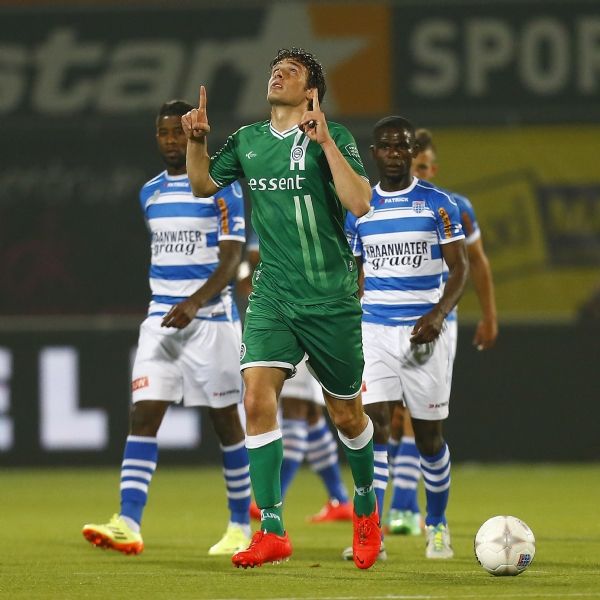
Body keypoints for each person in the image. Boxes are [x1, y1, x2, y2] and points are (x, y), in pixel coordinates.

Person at [182, 47, 380, 570]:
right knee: (256, 396)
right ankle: (272, 529)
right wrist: (197, 142)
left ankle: (365, 506)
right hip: (273, 295)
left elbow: (360, 202)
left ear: (311, 91)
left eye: (291, 71)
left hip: (331, 297)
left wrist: (325, 141)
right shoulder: (247, 141)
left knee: (347, 414)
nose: (278, 74)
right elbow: (201, 185)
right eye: (275, 69)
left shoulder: (333, 137)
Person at [82, 100, 251, 557]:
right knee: (143, 415)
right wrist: (176, 303)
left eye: (179, 131)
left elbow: (231, 260)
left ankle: (240, 524)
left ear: (194, 132)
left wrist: (196, 301)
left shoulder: (222, 188)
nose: (172, 140)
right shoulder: (150, 193)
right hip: (160, 321)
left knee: (225, 422)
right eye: (164, 132)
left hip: (211, 322)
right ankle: (128, 522)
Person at [345, 116, 469, 559]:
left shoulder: (439, 204)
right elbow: (354, 272)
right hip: (375, 329)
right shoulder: (359, 207)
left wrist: (439, 313)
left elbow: (461, 268)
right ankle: (371, 533)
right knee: (373, 428)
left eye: (402, 146)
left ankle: (436, 524)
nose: (395, 154)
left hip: (424, 334)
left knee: (429, 438)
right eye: (387, 146)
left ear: (413, 152)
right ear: (374, 152)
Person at [386, 128, 498, 536]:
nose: (419, 171)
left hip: (436, 322)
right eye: (414, 164)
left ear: (433, 168)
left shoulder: (453, 208)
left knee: (415, 413)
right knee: (390, 416)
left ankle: (403, 506)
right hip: (387, 320)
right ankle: (403, 505)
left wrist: (489, 315)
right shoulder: (382, 206)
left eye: (424, 166)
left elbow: (476, 262)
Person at [241, 233, 353, 523]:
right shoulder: (283, 215)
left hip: (297, 313)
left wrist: (249, 278)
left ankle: (273, 499)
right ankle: (340, 498)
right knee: (311, 415)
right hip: (308, 312)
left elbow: (254, 262)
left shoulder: (286, 218)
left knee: (296, 407)